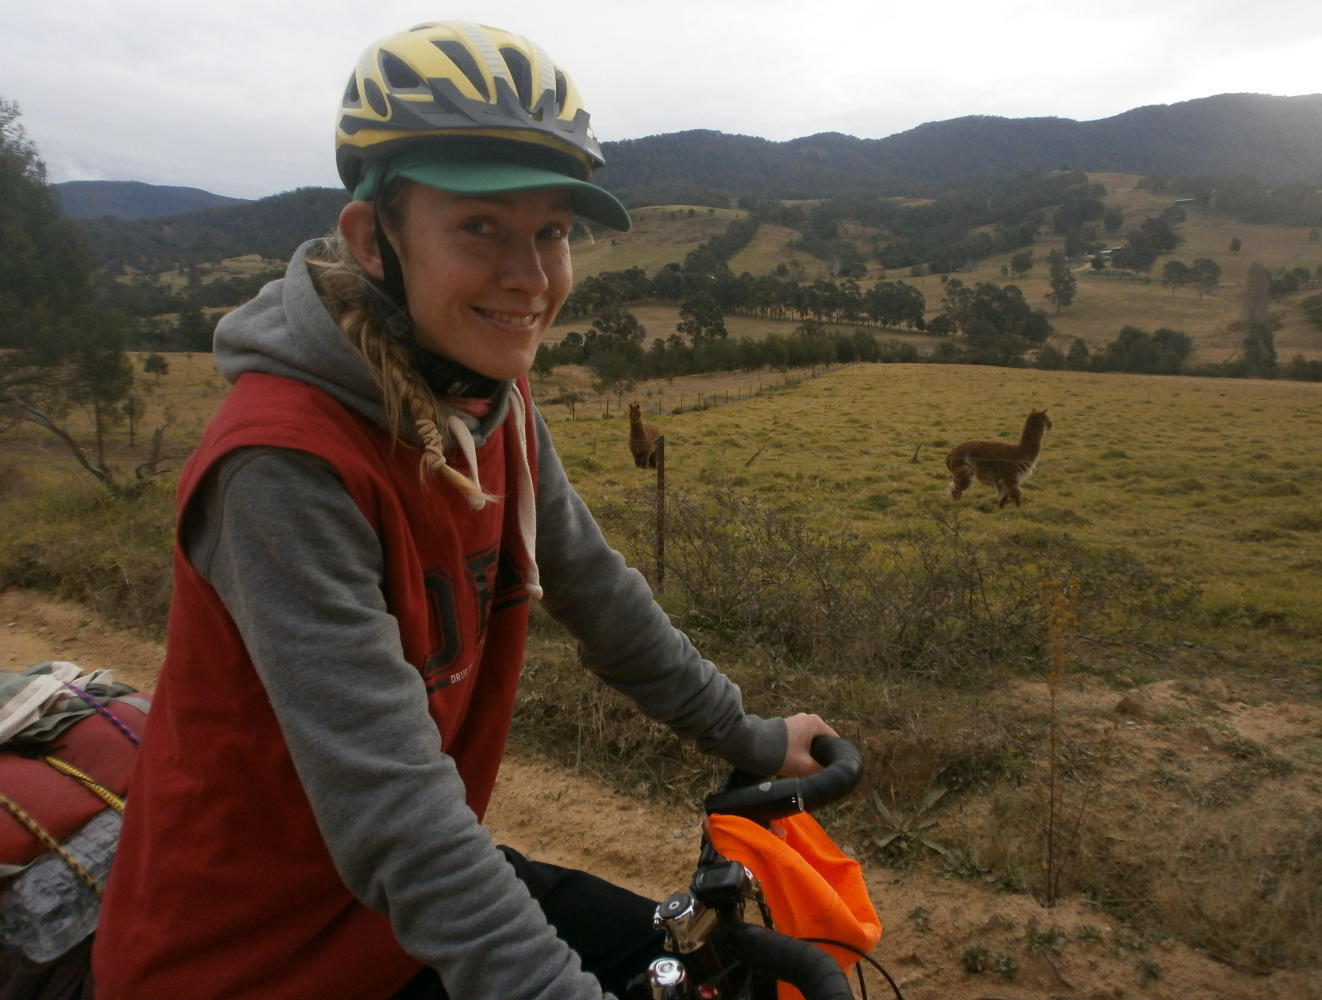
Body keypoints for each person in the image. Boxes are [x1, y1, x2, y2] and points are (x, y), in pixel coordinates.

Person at [92, 21, 835, 1000]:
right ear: (374, 239)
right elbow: (395, 810)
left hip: (399, 920)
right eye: (480, 226)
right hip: (247, 961)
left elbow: (594, 589)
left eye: (552, 232)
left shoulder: (490, 402)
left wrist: (747, 735)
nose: (530, 277)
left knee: (724, 973)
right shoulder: (281, 462)